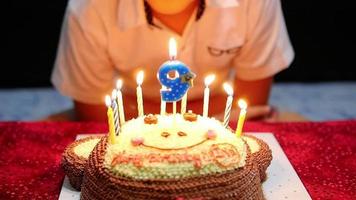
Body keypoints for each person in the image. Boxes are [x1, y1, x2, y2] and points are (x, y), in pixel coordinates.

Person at [51, 0, 294, 121]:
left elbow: (250, 105)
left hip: (217, 116)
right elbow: (94, 114)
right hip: (127, 119)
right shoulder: (88, 8)